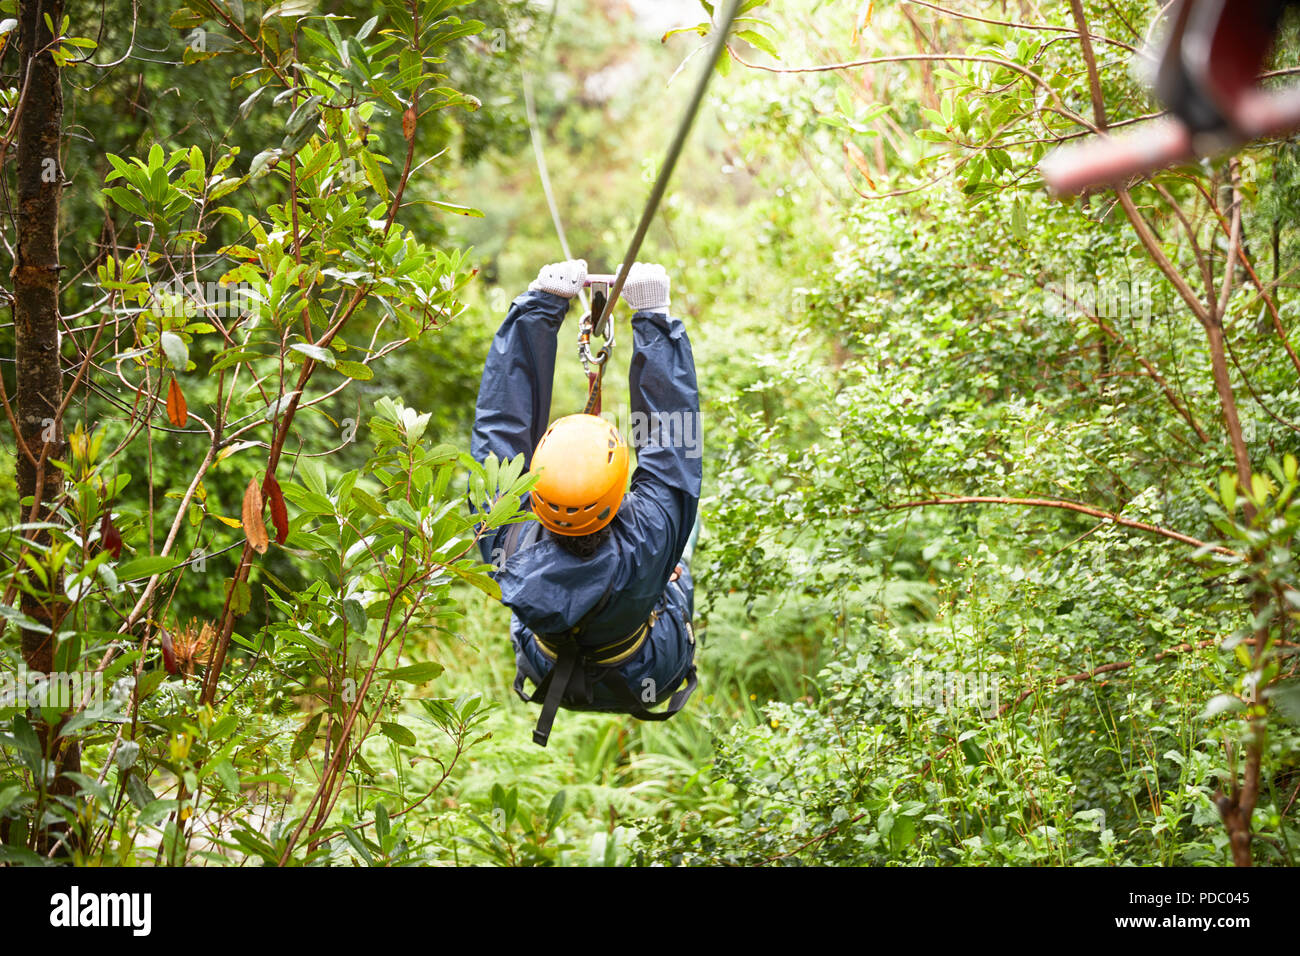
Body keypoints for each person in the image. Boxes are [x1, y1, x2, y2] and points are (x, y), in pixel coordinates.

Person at [471, 259, 702, 746]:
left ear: (534, 491)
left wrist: (538, 308)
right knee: (683, 529)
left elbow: (500, 431)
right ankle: (670, 578)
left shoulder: (503, 533)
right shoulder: (648, 539)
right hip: (647, 667)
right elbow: (672, 448)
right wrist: (653, 319)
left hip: (546, 664)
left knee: (673, 522)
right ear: (620, 494)